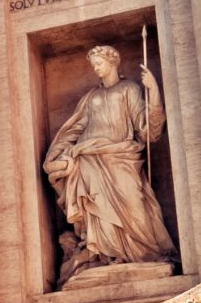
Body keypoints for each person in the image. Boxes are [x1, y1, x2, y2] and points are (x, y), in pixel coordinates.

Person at [43, 45, 176, 283]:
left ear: (113, 62)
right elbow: (73, 130)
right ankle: (105, 255)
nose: (96, 68)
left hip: (121, 157)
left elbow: (147, 130)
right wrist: (55, 156)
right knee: (97, 208)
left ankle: (145, 253)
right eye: (94, 64)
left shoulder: (129, 89)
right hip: (89, 159)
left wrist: (153, 91)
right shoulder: (90, 98)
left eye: (99, 63)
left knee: (135, 206)